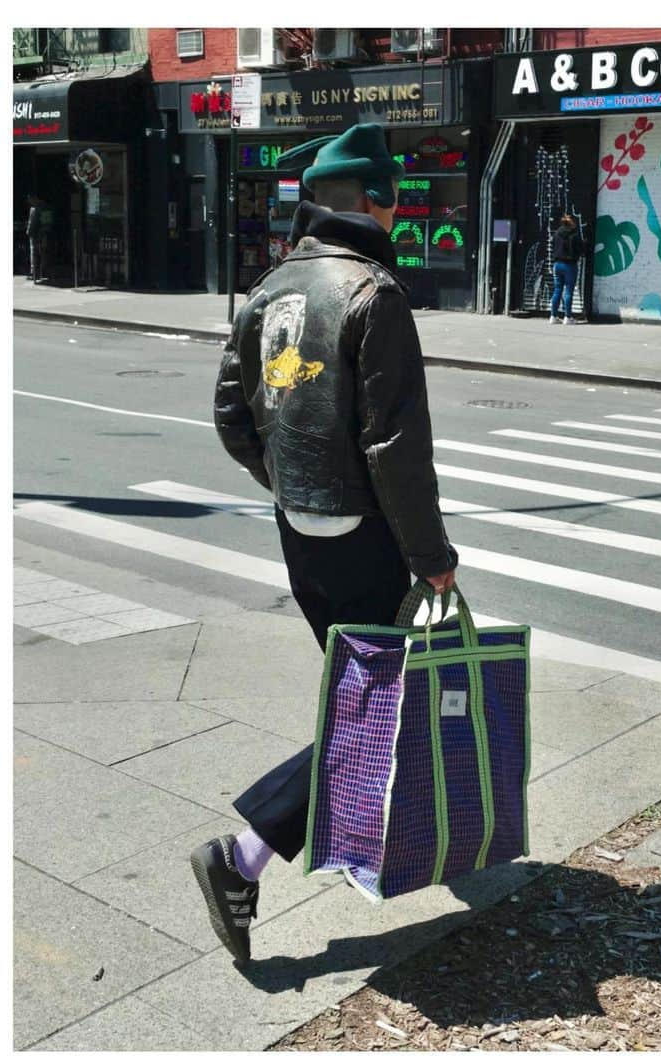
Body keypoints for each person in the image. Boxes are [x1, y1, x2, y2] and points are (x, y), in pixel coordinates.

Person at [195, 123, 458, 964]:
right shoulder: (374, 294)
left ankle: (359, 837)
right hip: (369, 539)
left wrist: (288, 487)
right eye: (395, 197)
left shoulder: (270, 287)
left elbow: (234, 418)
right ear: (380, 201)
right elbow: (395, 449)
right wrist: (430, 557)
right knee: (375, 710)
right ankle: (243, 858)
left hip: (300, 533)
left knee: (362, 696)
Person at [549, 214, 583, 325]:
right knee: (568, 291)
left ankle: (553, 316)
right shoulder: (574, 234)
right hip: (570, 265)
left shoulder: (557, 233)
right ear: (572, 223)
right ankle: (567, 317)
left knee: (557, 290)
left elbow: (553, 246)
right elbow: (580, 249)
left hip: (557, 264)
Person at [25, 195, 48, 284]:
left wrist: (28, 232)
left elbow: (31, 223)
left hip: (35, 234)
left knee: (33, 253)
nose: (29, 201)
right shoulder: (45, 207)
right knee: (42, 252)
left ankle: (34, 273)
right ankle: (43, 271)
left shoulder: (33, 209)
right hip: (44, 233)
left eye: (30, 199)